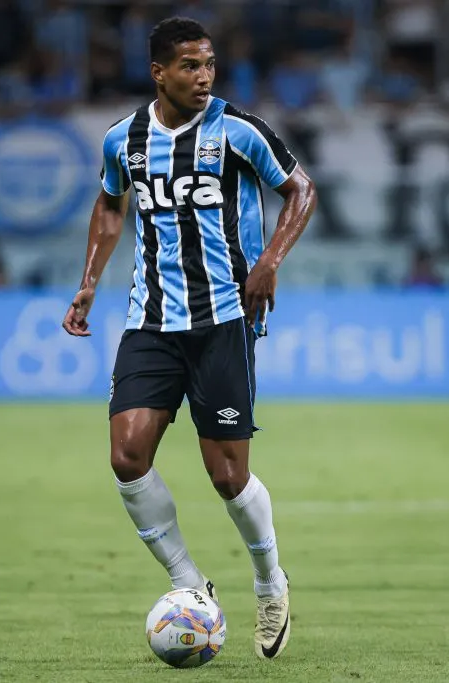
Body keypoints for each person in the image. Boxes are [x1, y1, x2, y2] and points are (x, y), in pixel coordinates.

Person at [61, 17, 317, 660]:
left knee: (227, 476)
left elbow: (300, 190)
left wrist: (269, 263)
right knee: (127, 457)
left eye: (208, 64)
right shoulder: (126, 139)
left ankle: (269, 581)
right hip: (151, 318)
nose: (203, 76)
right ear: (159, 71)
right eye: (189, 66)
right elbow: (110, 204)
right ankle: (187, 582)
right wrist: (89, 281)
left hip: (225, 318)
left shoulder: (238, 130)